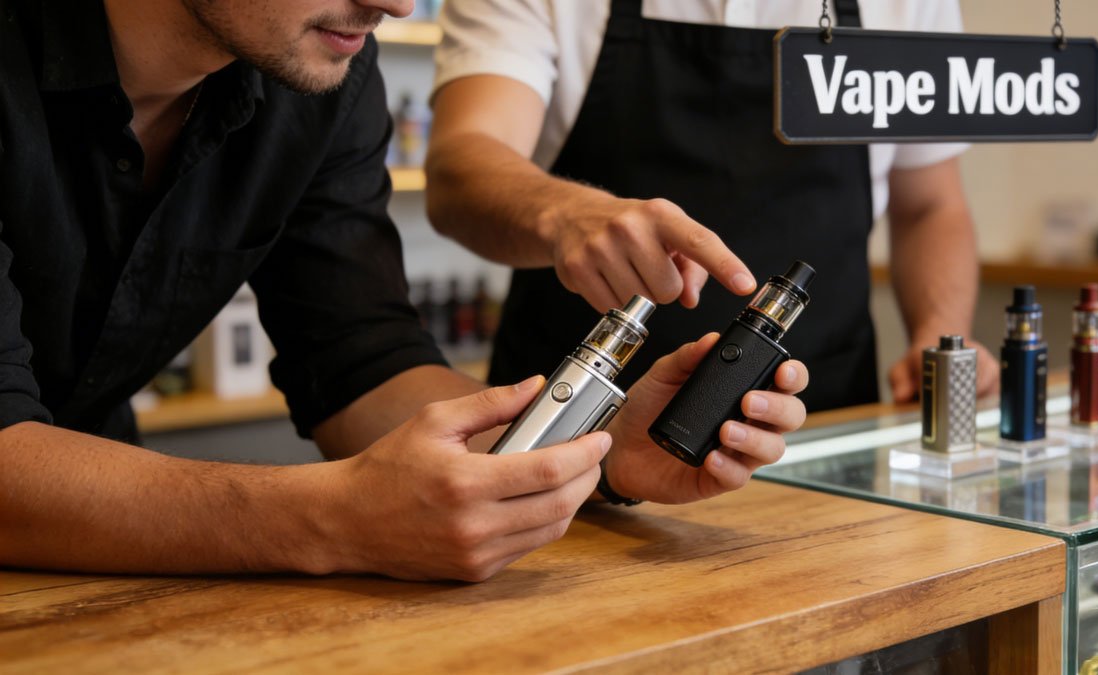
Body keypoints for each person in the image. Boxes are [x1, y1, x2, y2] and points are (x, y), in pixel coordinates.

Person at [0, 0, 808, 582]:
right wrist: (333, 517)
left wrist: (587, 446)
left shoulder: (320, 78)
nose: (394, 2)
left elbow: (362, 363)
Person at [425, 0, 1001, 408]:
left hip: (824, 423)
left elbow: (930, 205)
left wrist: (940, 333)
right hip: (575, 437)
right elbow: (461, 168)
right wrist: (565, 214)